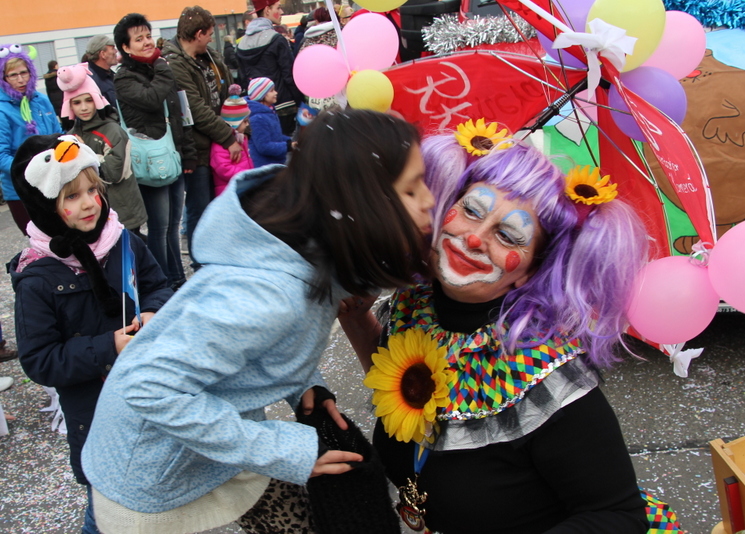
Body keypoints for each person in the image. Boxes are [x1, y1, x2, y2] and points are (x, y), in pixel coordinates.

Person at [82, 110, 434, 534]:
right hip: (153, 478)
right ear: (362, 206)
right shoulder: (270, 293)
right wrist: (284, 448)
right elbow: (148, 385)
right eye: (412, 188)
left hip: (204, 445)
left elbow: (254, 342)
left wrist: (303, 384)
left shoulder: (305, 251)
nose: (430, 199)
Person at [343, 129, 653, 533]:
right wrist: (354, 318)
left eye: (507, 235)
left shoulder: (545, 374)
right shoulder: (416, 306)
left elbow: (619, 516)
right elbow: (406, 387)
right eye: (471, 210)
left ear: (530, 272)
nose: (474, 237)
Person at [9, 133, 173, 534]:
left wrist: (154, 310)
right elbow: (40, 360)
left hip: (148, 398)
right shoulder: (39, 278)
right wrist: (109, 346)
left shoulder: (122, 240)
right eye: (71, 197)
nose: (87, 204)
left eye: (91, 191)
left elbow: (158, 283)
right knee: (106, 510)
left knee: (154, 492)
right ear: (47, 207)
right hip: (96, 417)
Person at [113, 13, 196, 291]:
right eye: (139, 39)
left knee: (174, 226)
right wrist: (162, 68)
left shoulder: (160, 68)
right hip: (150, 162)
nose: (147, 42)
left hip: (172, 155)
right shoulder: (125, 78)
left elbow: (180, 114)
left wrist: (187, 153)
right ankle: (162, 285)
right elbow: (151, 99)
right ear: (126, 47)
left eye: (148, 36)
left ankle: (177, 280)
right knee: (159, 230)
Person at [162, 5, 240, 272]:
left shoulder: (209, 56)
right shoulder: (174, 63)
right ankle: (201, 264)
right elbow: (196, 109)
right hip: (196, 148)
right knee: (199, 209)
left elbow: (227, 87)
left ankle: (219, 255)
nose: (211, 38)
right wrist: (229, 136)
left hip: (217, 142)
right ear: (197, 34)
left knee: (220, 205)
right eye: (208, 33)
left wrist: (239, 119)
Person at [59, 63, 148, 240]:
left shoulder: (113, 130)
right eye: (76, 102)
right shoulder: (70, 136)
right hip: (93, 216)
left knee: (128, 263)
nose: (83, 108)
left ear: (97, 99)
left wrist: (84, 155)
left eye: (88, 100)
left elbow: (114, 173)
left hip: (123, 213)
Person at [0, 44, 63, 235]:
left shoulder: (41, 100)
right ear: (3, 78)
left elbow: (58, 134)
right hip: (21, 190)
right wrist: (32, 170)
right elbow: (1, 155)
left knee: (66, 238)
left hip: (53, 181)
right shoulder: (2, 109)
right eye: (13, 75)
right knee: (40, 242)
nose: (20, 79)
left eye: (24, 72)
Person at [237, 0, 304, 136]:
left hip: (256, 107)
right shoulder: (277, 39)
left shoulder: (241, 43)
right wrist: (300, 101)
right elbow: (289, 74)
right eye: (278, 8)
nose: (281, 12)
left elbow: (243, 78)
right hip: (283, 103)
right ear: (267, 10)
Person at [211, 84, 253, 196]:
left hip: (241, 187)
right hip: (228, 191)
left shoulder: (241, 137)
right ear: (235, 123)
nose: (247, 124)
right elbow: (223, 168)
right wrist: (245, 174)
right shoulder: (221, 143)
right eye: (244, 121)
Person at [247, 77, 292, 167]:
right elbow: (264, 147)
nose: (276, 93)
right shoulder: (257, 118)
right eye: (271, 91)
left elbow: (274, 135)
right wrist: (287, 146)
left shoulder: (269, 112)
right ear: (261, 94)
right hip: (265, 166)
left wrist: (289, 141)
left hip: (274, 162)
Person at [84, 35, 119, 108]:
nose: (116, 51)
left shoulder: (112, 75)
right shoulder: (90, 81)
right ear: (103, 54)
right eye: (113, 48)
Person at [43, 60, 70, 130]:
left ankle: (65, 129)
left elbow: (48, 90)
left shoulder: (47, 78)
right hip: (61, 98)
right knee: (67, 116)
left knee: (61, 117)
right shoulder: (58, 75)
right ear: (55, 66)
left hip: (53, 100)